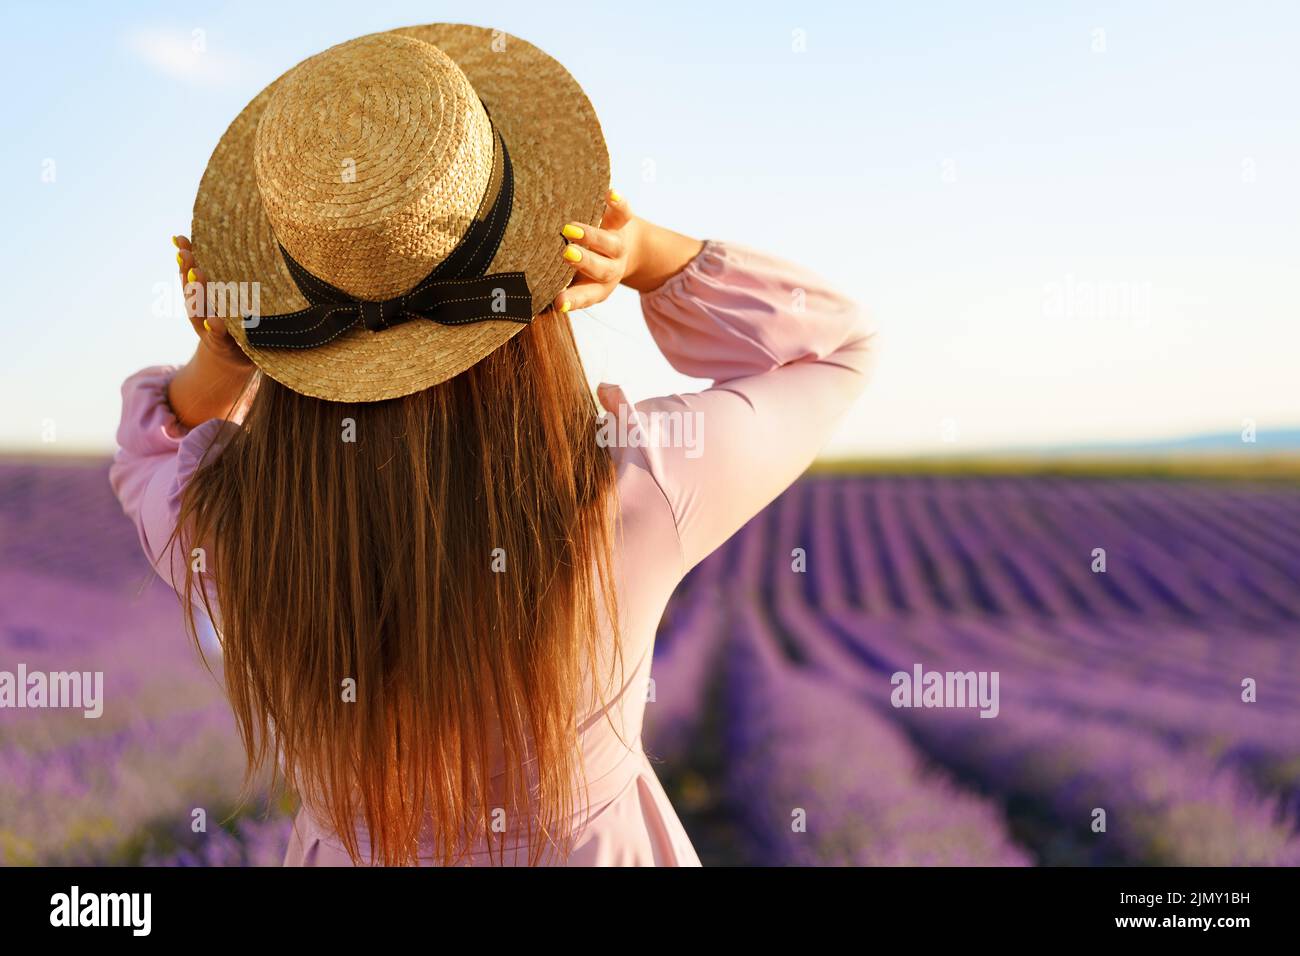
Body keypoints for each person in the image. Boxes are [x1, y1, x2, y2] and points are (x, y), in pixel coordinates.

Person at [111, 24, 876, 866]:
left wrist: (219, 358)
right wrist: (650, 255)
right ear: (534, 284)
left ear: (289, 331)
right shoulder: (637, 482)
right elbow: (835, 348)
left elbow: (147, 456)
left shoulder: (225, 525)